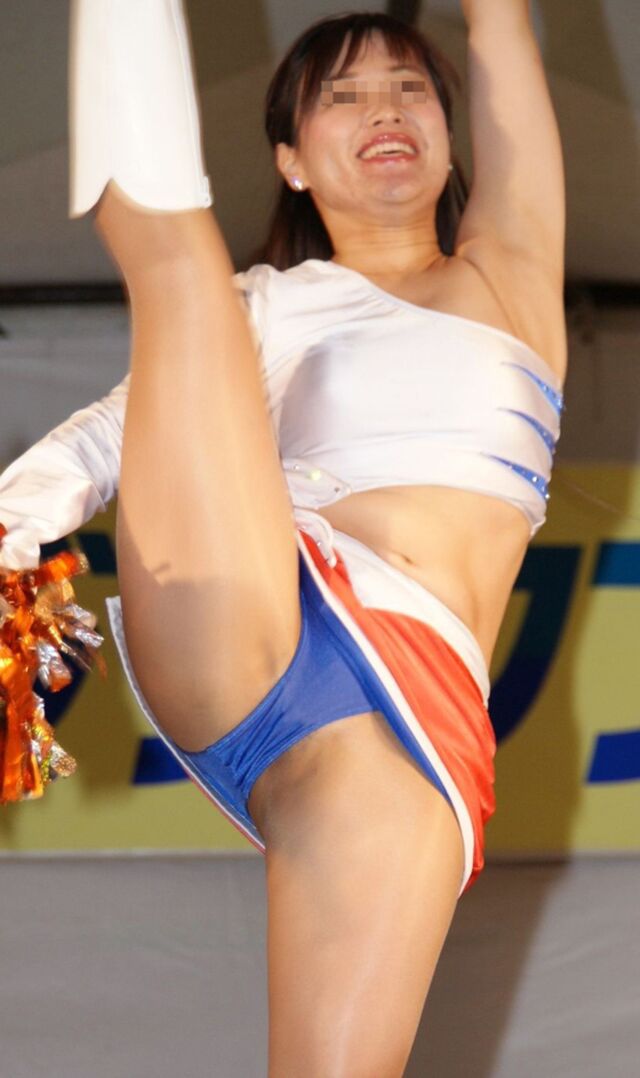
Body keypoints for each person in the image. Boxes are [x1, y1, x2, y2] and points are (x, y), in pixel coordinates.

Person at [0, 1, 566, 1073]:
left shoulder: (511, 274)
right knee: (181, 274)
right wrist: (13, 526)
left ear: (452, 141)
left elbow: (500, 27)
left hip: (417, 717)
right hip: (254, 604)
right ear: (291, 162)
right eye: (342, 96)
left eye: (408, 89)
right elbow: (112, 434)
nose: (383, 110)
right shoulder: (260, 307)